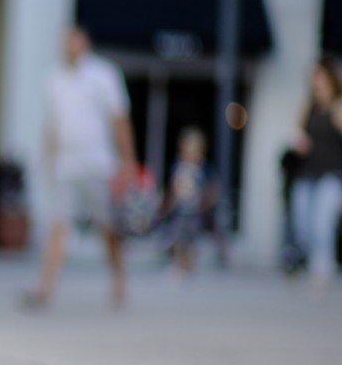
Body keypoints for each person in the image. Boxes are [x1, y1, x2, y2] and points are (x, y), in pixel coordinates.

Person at [26, 25, 136, 308]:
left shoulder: (103, 74)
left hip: (98, 165)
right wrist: (46, 161)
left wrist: (128, 161)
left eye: (74, 42)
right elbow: (52, 125)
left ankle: (119, 278)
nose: (69, 47)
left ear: (84, 43)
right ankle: (45, 289)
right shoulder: (53, 79)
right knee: (58, 225)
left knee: (106, 227)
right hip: (66, 165)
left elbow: (119, 119)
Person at [289, 57, 342, 289]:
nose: (316, 82)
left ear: (330, 80)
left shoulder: (341, 109)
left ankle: (321, 273)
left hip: (332, 175)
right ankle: (313, 265)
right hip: (306, 173)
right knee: (303, 226)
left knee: (322, 224)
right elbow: (297, 133)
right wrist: (298, 141)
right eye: (313, 78)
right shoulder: (307, 106)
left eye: (320, 77)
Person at [162, 127, 211, 274]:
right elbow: (172, 187)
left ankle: (189, 265)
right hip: (179, 210)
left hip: (194, 211)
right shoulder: (177, 166)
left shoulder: (202, 169)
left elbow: (210, 188)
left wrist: (206, 203)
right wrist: (166, 204)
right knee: (177, 237)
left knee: (191, 239)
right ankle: (178, 263)